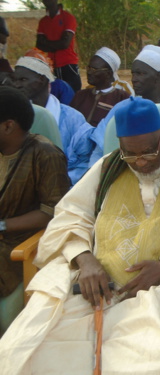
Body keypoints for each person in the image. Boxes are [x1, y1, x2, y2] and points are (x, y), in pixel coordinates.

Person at [0, 96, 160, 374]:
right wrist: (85, 259)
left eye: (148, 153)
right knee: (34, 344)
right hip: (99, 282)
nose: (140, 163)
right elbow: (69, 215)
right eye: (130, 154)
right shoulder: (109, 166)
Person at [0, 86, 70, 334]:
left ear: (8, 126)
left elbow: (54, 212)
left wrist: (3, 225)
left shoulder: (44, 154)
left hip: (15, 245)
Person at [88, 49, 160, 168]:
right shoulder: (121, 109)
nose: (134, 79)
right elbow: (100, 151)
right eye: (133, 73)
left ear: (158, 78)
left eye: (141, 74)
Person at [13, 55, 94, 185]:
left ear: (42, 79)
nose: (17, 85)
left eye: (23, 79)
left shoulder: (72, 118)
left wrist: (58, 182)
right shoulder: (13, 116)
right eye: (15, 80)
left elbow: (84, 162)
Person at [70, 47, 130, 126]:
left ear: (108, 74)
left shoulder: (122, 98)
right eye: (89, 68)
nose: (89, 72)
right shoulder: (80, 96)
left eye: (95, 70)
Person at [36, 0, 82, 92]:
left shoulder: (68, 18)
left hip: (68, 64)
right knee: (55, 95)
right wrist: (58, 44)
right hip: (51, 66)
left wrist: (46, 42)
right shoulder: (43, 21)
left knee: (73, 93)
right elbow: (38, 45)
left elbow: (65, 44)